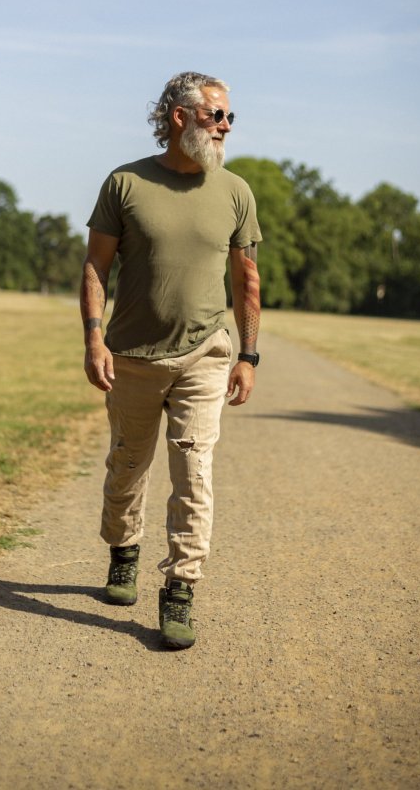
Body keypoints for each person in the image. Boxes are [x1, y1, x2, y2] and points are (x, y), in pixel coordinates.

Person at [80, 71, 262, 650]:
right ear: (180, 117)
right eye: (216, 115)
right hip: (132, 357)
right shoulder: (125, 183)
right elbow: (95, 267)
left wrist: (248, 355)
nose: (226, 126)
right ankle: (123, 550)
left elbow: (247, 279)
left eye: (230, 117)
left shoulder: (235, 191)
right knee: (128, 467)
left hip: (206, 353)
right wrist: (93, 339)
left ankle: (181, 587)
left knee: (194, 470)